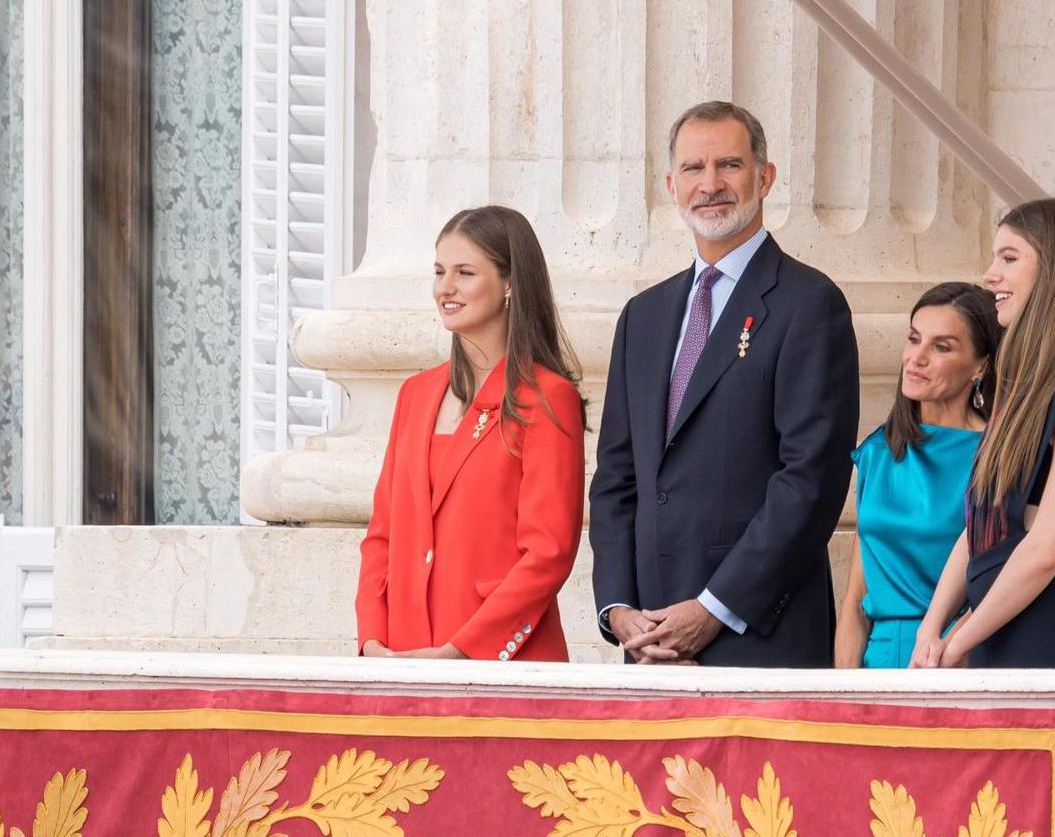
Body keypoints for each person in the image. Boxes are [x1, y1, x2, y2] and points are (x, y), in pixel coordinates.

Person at [588, 101, 859, 668]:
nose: (710, 184)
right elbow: (617, 477)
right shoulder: (643, 316)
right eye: (693, 169)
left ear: (765, 177)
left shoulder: (809, 305)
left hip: (760, 638)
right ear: (670, 184)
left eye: (729, 165)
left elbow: (810, 481)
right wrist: (619, 609)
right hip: (649, 645)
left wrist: (713, 608)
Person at [911, 197, 1055, 669]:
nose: (989, 275)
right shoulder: (1024, 382)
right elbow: (980, 526)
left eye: (1009, 258)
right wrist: (930, 628)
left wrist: (957, 643)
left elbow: (1044, 550)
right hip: (996, 642)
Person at [356, 205, 585, 662]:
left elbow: (548, 553)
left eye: (465, 272)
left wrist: (461, 651)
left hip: (500, 665)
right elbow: (381, 535)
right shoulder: (414, 395)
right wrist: (371, 639)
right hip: (402, 656)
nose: (446, 287)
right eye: (440, 271)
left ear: (510, 284)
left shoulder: (546, 398)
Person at [835, 283, 1001, 669]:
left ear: (981, 366)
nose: (916, 358)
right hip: (876, 667)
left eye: (941, 347)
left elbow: (998, 590)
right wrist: (846, 694)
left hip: (958, 660)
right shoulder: (878, 451)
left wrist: (943, 659)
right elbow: (856, 599)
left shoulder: (995, 455)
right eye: (914, 339)